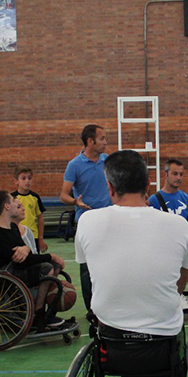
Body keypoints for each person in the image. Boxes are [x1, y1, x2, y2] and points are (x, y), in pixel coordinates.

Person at [75, 150, 188, 377]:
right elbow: (182, 277)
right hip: (162, 339)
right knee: (164, 316)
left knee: (123, 318)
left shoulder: (87, 222)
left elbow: (90, 269)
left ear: (110, 186)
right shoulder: (178, 225)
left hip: (113, 340)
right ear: (149, 184)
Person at [0, 190, 72, 329]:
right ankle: (39, 312)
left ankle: (46, 313)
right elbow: (22, 260)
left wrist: (26, 248)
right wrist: (51, 256)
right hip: (2, 278)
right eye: (13, 201)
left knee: (53, 266)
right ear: (6, 206)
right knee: (48, 267)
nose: (16, 204)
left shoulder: (12, 228)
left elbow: (25, 254)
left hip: (15, 271)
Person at [149, 159, 188, 312]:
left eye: (181, 174)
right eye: (175, 174)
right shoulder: (154, 200)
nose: (178, 177)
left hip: (184, 242)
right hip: (163, 244)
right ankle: (178, 294)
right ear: (166, 174)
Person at [61, 124, 112, 310]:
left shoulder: (108, 161)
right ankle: (92, 309)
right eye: (102, 139)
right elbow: (64, 195)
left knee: (110, 264)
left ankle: (108, 305)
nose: (105, 143)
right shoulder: (74, 165)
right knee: (87, 268)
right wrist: (76, 202)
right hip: (87, 223)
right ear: (90, 141)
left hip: (108, 221)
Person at [13, 165, 47, 252]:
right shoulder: (12, 198)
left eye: (29, 178)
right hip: (17, 235)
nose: (27, 181)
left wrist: (40, 238)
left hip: (33, 235)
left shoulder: (35, 197)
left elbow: (40, 218)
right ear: (16, 181)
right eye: (23, 178)